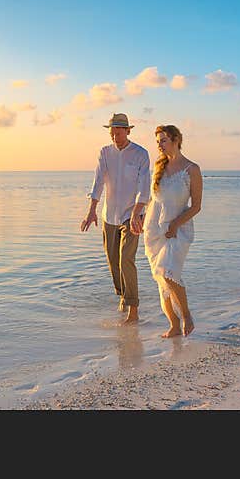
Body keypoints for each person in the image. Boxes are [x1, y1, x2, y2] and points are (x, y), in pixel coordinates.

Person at [81, 113, 151, 325]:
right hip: (108, 215)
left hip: (132, 216)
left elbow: (144, 185)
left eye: (119, 131)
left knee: (126, 259)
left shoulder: (140, 154)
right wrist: (91, 210)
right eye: (112, 131)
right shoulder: (105, 153)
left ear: (128, 131)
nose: (115, 135)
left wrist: (138, 211)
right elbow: (98, 182)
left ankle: (133, 309)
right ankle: (123, 295)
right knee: (113, 262)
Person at [143, 124, 202, 337]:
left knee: (168, 273)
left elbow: (196, 206)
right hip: (154, 229)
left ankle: (186, 315)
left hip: (179, 228)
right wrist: (139, 217)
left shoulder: (191, 169)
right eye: (157, 141)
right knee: (160, 278)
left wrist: (175, 224)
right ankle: (173, 325)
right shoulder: (159, 167)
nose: (159, 145)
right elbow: (153, 199)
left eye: (163, 140)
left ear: (176, 139)